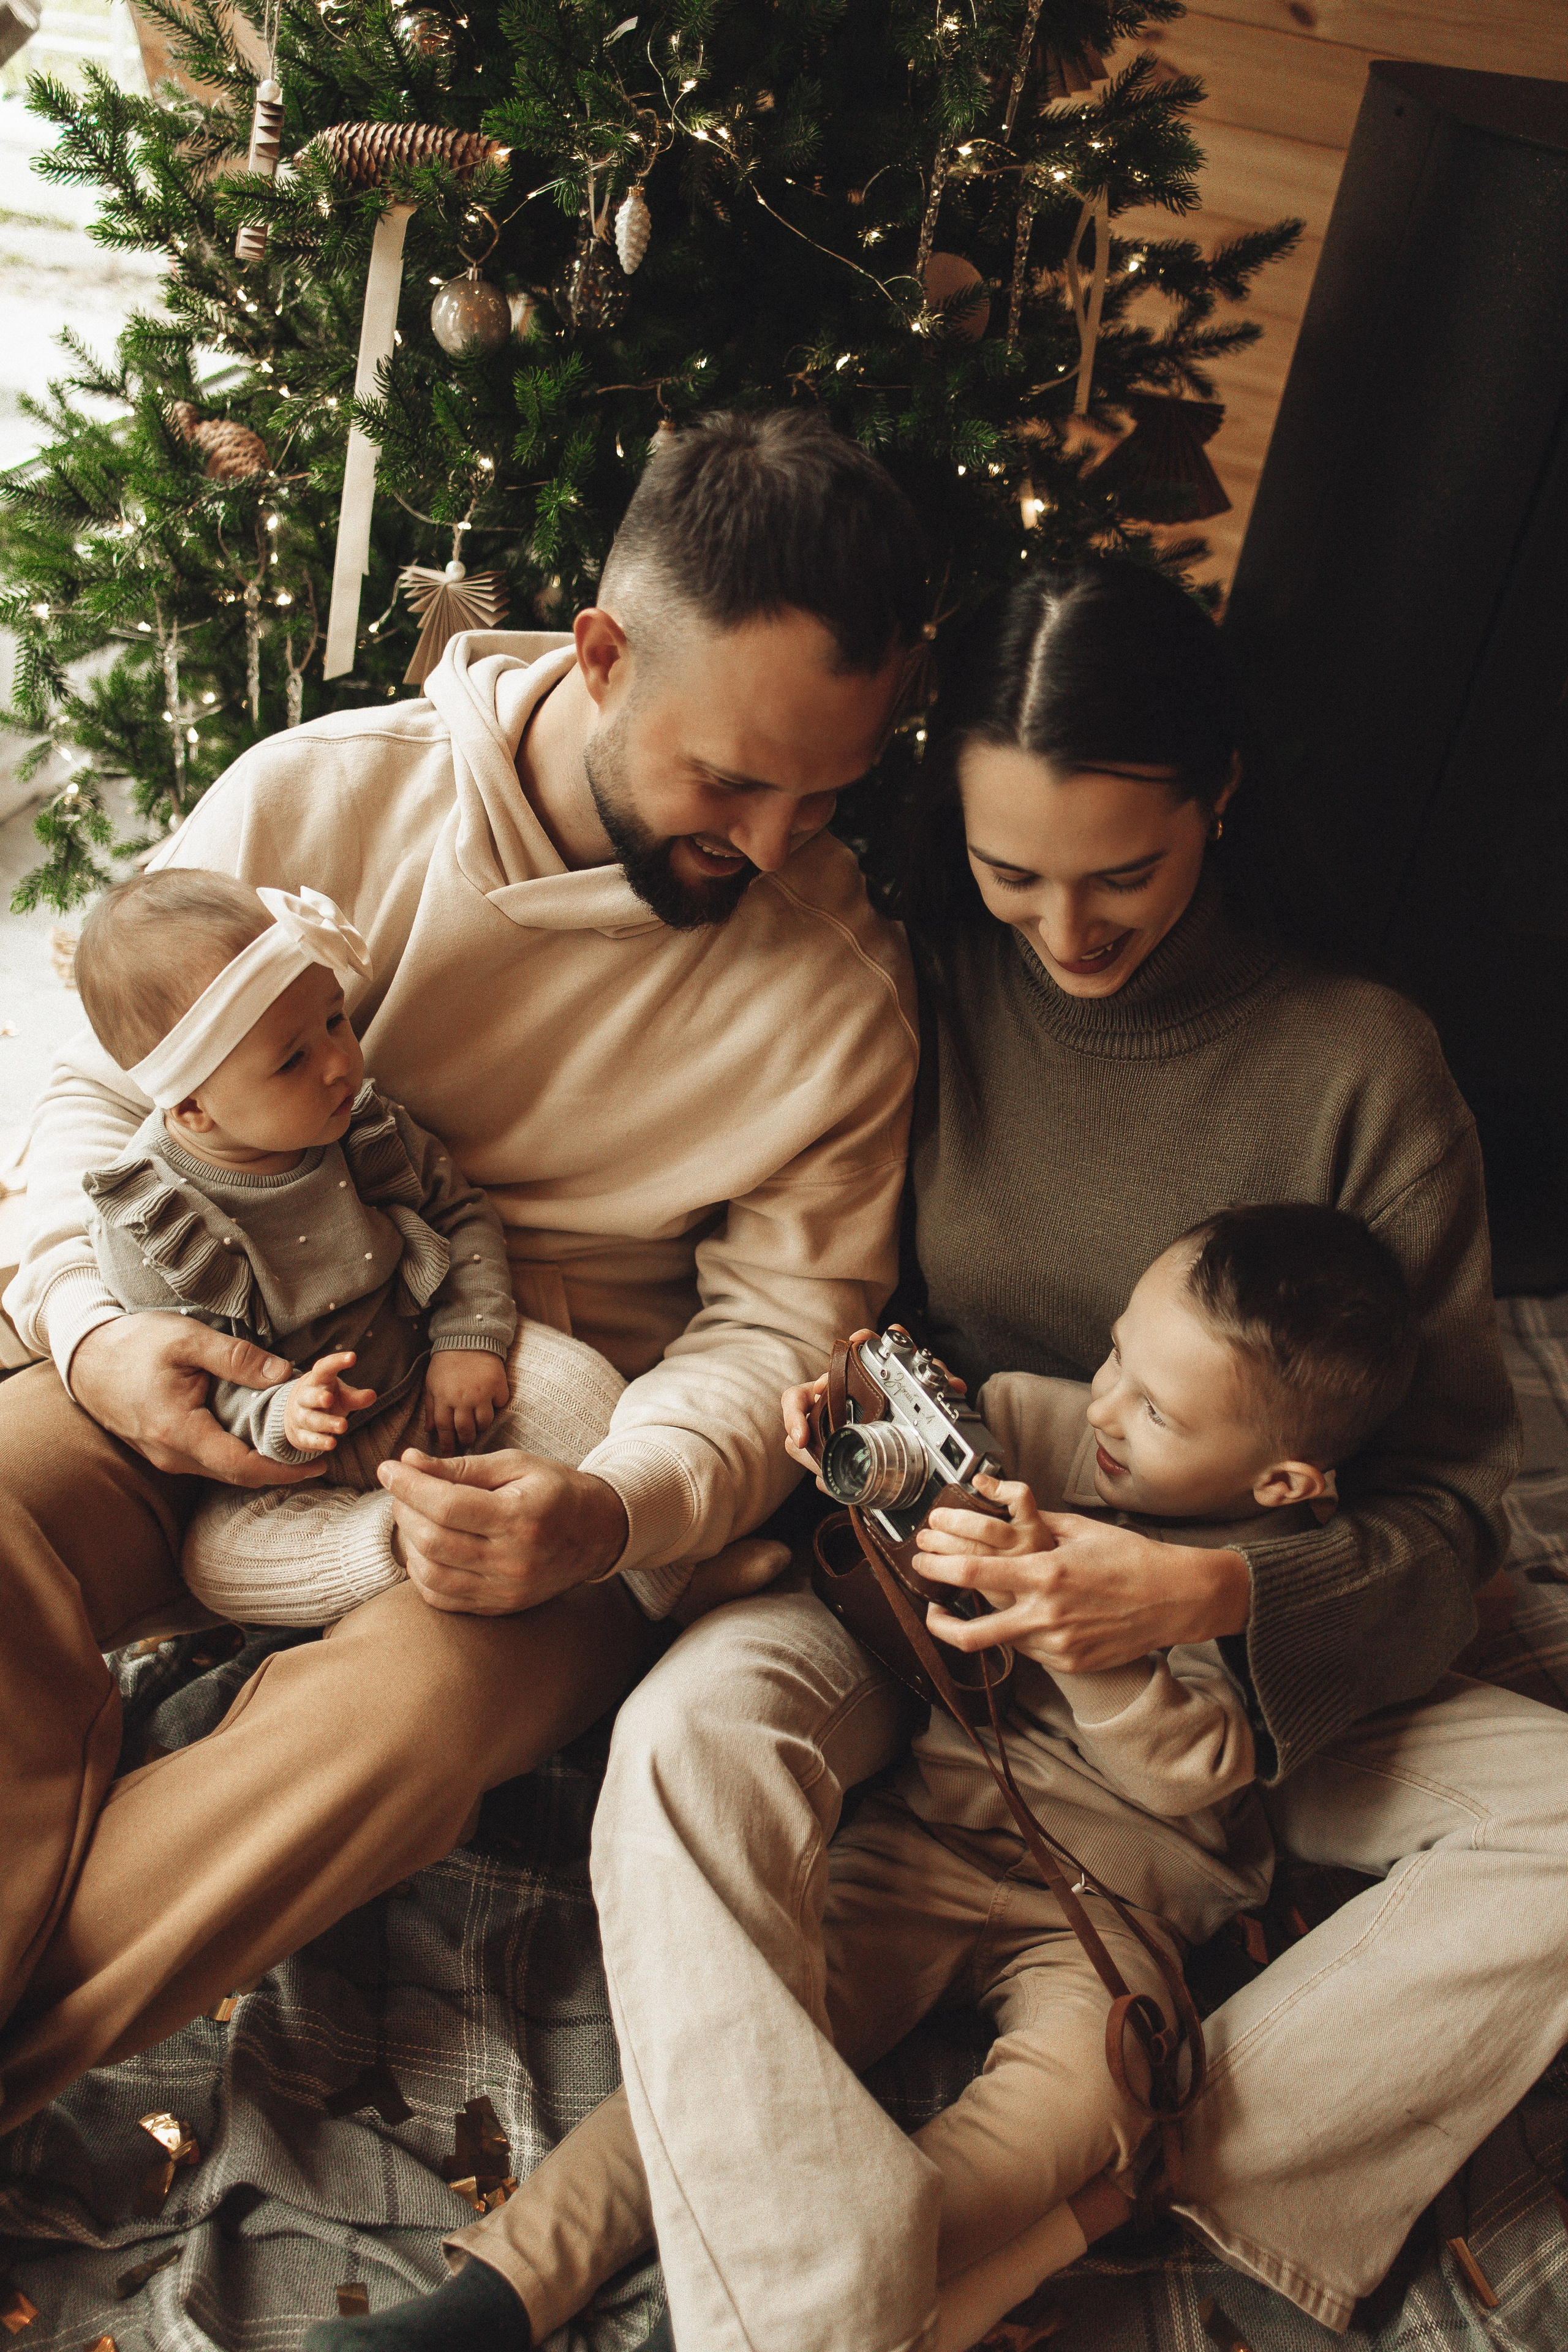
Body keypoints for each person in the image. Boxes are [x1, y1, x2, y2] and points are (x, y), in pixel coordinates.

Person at [336, 557, 1564, 2352]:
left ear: (1218, 793)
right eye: (1012, 877)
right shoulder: (923, 977)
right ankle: (737, 2293)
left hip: (1243, 1669)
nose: (1062, 934)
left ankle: (1169, 2169)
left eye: (1121, 875)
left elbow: (1457, 1514)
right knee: (688, 1743)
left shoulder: (1361, 1067)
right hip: (920, 1591)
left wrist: (1207, 1583)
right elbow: (816, 1308)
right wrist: (844, 1468)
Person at [0, 409, 924, 2127]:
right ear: (598, 655)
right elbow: (87, 1085)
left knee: (388, 1742)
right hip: (207, 1346)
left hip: (540, 1452)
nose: (780, 842)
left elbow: (786, 1334)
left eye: (830, 791)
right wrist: (87, 1339)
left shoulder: (842, 1001)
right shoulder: (322, 794)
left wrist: (620, 1511)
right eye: (731, 779)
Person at [334, 1203, 1413, 2352]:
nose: (1102, 1407)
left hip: (1112, 1921)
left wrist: (1082, 1636)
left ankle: (784, 2301)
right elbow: (931, 1469)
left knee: (1090, 2105)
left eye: (1156, 1411)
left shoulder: (1301, 1587)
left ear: (1287, 1482)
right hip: (929, 1843)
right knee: (740, 2069)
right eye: (1113, 1355)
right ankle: (492, 2297)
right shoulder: (1043, 1431)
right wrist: (850, 1446)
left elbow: (1198, 1773)